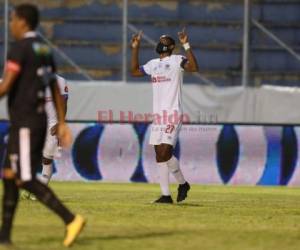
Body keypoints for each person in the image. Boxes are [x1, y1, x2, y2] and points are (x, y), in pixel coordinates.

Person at [0, 4, 85, 246]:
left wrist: (60, 122)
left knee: (24, 178)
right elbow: (54, 88)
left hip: (26, 123)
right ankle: (4, 236)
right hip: (32, 121)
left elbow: (5, 87)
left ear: (23, 21)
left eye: (13, 19)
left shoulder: (20, 48)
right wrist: (62, 121)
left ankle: (71, 220)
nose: (11, 24)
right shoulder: (43, 49)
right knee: (8, 175)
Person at [130, 29, 199, 203]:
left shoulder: (177, 60)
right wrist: (135, 48)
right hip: (158, 115)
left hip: (173, 112)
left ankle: (183, 184)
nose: (160, 40)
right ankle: (166, 195)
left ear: (170, 45)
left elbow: (194, 67)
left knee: (165, 151)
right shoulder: (153, 64)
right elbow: (135, 71)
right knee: (159, 155)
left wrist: (186, 44)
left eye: (163, 39)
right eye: (159, 39)